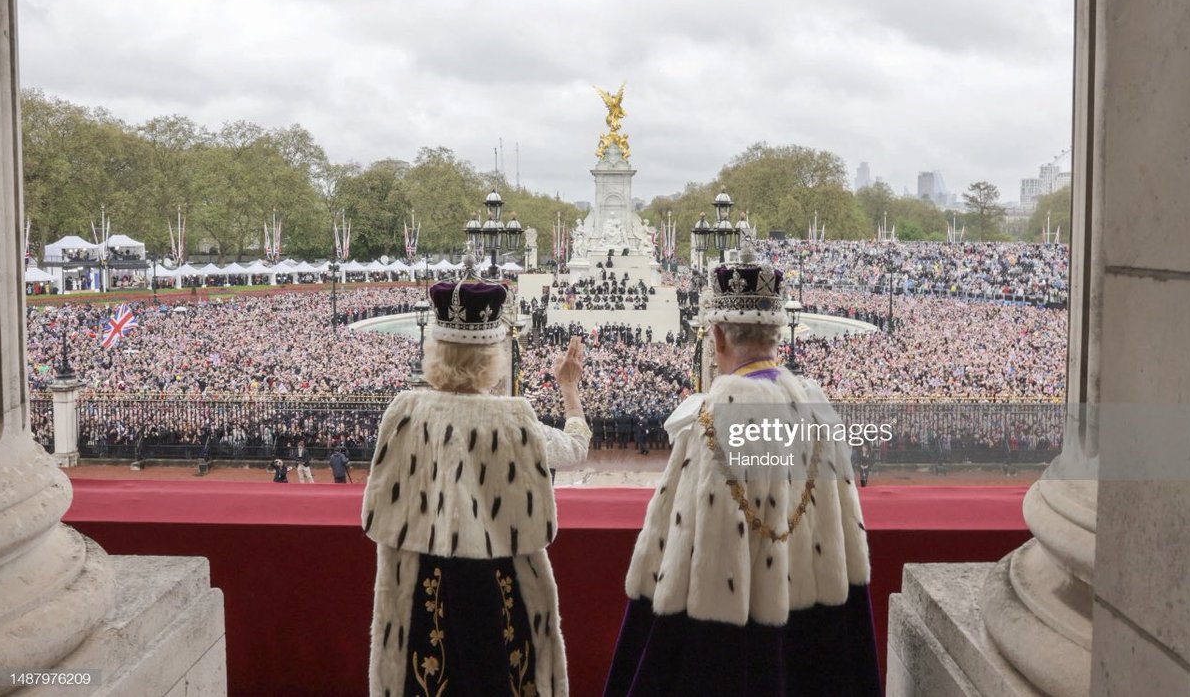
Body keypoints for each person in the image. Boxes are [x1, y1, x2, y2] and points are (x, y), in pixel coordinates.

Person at [604, 244, 880, 696]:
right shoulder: (818, 410)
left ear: (717, 338)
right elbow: (849, 541)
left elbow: (693, 556)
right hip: (814, 632)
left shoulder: (712, 421)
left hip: (734, 642)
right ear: (777, 333)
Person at [362, 262, 590, 697]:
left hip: (419, 587)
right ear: (493, 357)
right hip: (499, 584)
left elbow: (377, 514)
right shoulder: (514, 420)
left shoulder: (403, 413)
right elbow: (575, 449)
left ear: (435, 352)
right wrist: (569, 391)